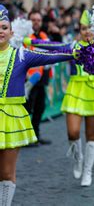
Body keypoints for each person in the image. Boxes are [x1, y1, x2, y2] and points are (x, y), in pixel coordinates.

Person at [0, 5, 77, 206]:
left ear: (11, 31)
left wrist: (76, 51)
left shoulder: (22, 55)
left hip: (11, 117)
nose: (0, 31)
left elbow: (52, 56)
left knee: (6, 172)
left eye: (4, 27)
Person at [26, 10, 94, 187]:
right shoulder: (72, 47)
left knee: (91, 134)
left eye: (90, 28)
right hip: (75, 91)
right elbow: (52, 46)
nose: (87, 31)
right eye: (83, 28)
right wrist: (29, 41)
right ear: (79, 30)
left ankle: (88, 171)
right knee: (72, 132)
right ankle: (78, 159)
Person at [24, 10, 53, 145]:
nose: (36, 22)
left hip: (42, 78)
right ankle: (24, 137)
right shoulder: (24, 36)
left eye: (38, 20)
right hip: (28, 79)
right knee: (28, 108)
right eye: (33, 19)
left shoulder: (43, 35)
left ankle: (35, 135)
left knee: (40, 107)